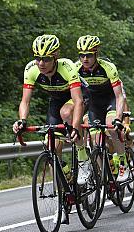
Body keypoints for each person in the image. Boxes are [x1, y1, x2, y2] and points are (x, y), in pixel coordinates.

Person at [13, 34, 84, 182]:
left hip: (76, 98)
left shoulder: (67, 67)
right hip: (56, 101)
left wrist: (76, 127)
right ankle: (63, 182)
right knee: (50, 145)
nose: (41, 63)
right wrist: (22, 120)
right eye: (38, 58)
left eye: (46, 59)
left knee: (66, 112)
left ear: (55, 57)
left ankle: (84, 160)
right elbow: (25, 101)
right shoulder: (31, 69)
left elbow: (78, 101)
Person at [74, 35, 128, 182]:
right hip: (94, 104)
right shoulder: (76, 69)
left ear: (96, 54)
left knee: (111, 128)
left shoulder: (108, 68)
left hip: (110, 100)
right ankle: (104, 177)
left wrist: (118, 118)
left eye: (89, 55)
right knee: (96, 141)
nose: (85, 59)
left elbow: (119, 96)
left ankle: (123, 163)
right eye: (82, 55)